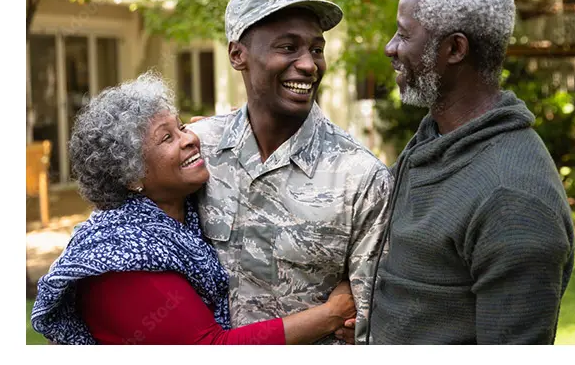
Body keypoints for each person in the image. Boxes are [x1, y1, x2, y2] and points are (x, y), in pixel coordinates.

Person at [30, 71, 357, 345]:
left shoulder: (178, 211)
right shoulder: (121, 256)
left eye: (182, 126)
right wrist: (330, 315)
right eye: (166, 138)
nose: (189, 139)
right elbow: (210, 347)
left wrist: (227, 130)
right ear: (131, 177)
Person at [366, 0, 575, 345]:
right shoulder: (436, 138)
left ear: (455, 49)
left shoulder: (512, 199)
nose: (390, 47)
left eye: (403, 34)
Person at [186, 0, 393, 345]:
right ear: (238, 55)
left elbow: (367, 326)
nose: (309, 64)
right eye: (287, 47)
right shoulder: (196, 150)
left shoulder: (360, 178)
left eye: (316, 49)